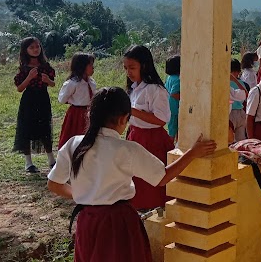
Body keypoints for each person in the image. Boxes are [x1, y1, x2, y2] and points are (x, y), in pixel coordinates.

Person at [48, 87, 217, 262]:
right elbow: (162, 177)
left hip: (87, 221)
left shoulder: (73, 144)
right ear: (123, 119)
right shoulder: (126, 149)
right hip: (118, 223)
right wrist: (192, 153)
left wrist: (84, 195)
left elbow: (54, 184)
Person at [123, 45, 174, 211]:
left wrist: (133, 111)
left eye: (132, 68)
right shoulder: (134, 88)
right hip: (135, 136)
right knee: (136, 179)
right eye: (126, 68)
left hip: (152, 140)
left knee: (152, 182)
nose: (128, 72)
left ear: (144, 66)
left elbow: (161, 120)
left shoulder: (155, 89)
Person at [14, 37, 56, 173]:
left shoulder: (46, 66)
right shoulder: (23, 69)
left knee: (45, 127)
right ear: (25, 50)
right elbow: (20, 88)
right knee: (26, 129)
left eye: (37, 46)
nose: (35, 49)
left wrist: (47, 80)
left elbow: (53, 84)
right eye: (31, 47)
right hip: (29, 100)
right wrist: (29, 78)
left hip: (43, 98)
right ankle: (29, 163)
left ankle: (51, 160)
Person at [58, 53, 97, 149]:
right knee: (74, 136)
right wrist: (72, 100)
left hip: (89, 112)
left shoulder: (91, 82)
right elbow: (62, 99)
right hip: (76, 114)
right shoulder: (72, 83)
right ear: (82, 66)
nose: (93, 68)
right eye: (90, 65)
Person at [229, 59, 250, 142]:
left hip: (230, 114)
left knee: (230, 141)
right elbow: (246, 94)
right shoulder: (242, 83)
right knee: (241, 141)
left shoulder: (224, 83)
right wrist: (235, 80)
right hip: (241, 113)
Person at [164, 55, 181, 141]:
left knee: (173, 129)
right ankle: (170, 147)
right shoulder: (178, 79)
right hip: (174, 109)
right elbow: (174, 94)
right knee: (174, 130)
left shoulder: (169, 78)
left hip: (169, 107)